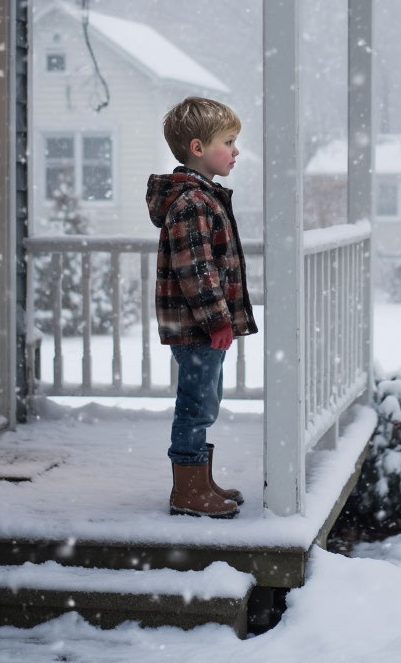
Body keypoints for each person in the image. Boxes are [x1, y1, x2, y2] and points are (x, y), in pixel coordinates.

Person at [146, 96, 258, 518]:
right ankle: (187, 491)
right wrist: (216, 320)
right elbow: (196, 268)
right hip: (197, 326)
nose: (236, 151)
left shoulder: (205, 197)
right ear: (198, 148)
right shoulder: (193, 203)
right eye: (228, 141)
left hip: (202, 326)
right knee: (196, 404)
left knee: (206, 400)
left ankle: (201, 480)